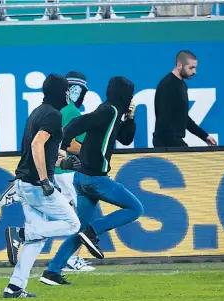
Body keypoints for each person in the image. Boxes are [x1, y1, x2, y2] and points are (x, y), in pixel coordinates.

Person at [38, 76, 144, 286]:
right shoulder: (109, 111)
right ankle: (93, 232)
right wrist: (64, 144)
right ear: (124, 95)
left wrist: (130, 119)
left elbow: (125, 139)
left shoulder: (112, 113)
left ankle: (52, 272)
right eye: (130, 94)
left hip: (82, 178)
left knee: (80, 228)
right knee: (135, 208)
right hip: (95, 179)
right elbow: (77, 123)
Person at [0, 71, 95, 272]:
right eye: (66, 91)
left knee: (37, 241)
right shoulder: (54, 114)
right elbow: (37, 144)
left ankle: (15, 286)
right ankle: (20, 234)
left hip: (26, 181)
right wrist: (44, 180)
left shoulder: (38, 111)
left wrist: (64, 162)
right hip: (36, 184)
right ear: (62, 92)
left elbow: (45, 148)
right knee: (73, 224)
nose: (68, 95)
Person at [53, 72, 95, 272]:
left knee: (69, 216)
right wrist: (93, 153)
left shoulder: (54, 110)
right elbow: (72, 145)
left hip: (57, 170)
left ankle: (69, 257)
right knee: (81, 216)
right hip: (69, 169)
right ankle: (71, 258)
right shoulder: (72, 113)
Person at [152, 50, 217, 148]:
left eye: (195, 68)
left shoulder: (181, 85)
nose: (194, 72)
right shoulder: (167, 85)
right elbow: (163, 121)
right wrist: (180, 147)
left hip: (173, 142)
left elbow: (183, 117)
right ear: (179, 65)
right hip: (166, 144)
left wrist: (204, 136)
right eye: (191, 68)